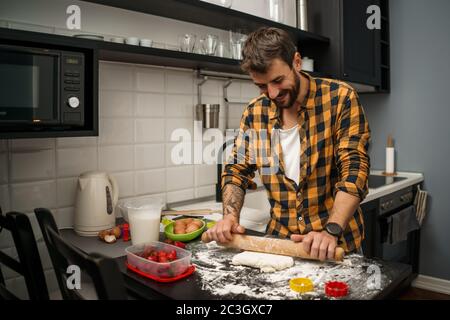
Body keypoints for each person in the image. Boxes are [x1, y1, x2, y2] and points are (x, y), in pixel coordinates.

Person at [205, 27, 371, 261]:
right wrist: (230, 217)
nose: (271, 94)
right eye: (262, 86)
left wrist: (331, 230)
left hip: (334, 244)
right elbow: (236, 170)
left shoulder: (341, 99)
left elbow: (354, 169)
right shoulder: (255, 113)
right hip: (280, 245)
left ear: (296, 62)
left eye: (278, 80)